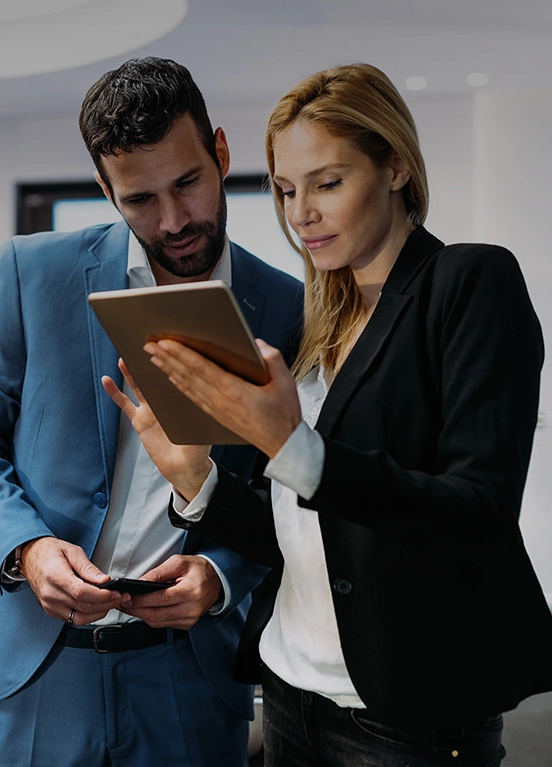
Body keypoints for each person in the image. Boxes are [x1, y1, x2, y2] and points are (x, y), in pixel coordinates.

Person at [103, 63, 552, 766]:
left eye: (327, 182)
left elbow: (477, 509)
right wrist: (197, 481)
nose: (299, 212)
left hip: (407, 715)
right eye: (284, 188)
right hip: (289, 689)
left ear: (395, 165)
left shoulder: (468, 282)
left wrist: (291, 445)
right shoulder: (318, 320)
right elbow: (300, 524)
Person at [0, 57, 303, 767]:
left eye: (188, 183)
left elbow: (286, 494)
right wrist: (26, 546)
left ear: (221, 153)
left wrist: (221, 574)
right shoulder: (31, 272)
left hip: (187, 679)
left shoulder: (288, 309)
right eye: (138, 198)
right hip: (36, 674)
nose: (172, 221)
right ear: (105, 189)